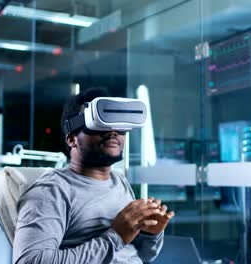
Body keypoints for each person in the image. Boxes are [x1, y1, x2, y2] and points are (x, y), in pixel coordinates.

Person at [13, 87, 175, 264]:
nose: (113, 131)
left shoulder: (119, 181)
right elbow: (30, 261)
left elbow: (135, 255)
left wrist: (151, 235)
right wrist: (115, 237)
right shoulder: (51, 192)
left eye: (118, 124)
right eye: (99, 122)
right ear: (72, 138)